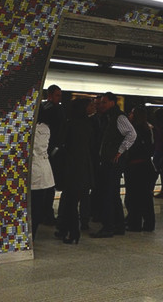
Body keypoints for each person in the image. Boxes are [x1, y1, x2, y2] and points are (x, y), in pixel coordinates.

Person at [90, 92, 136, 238]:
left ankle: (108, 227)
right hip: (109, 161)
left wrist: (120, 151)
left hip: (113, 162)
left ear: (112, 102)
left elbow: (132, 134)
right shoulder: (108, 117)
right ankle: (119, 226)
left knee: (108, 194)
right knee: (113, 194)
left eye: (104, 102)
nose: (101, 105)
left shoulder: (118, 117)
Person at [55, 97, 94, 244]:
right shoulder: (88, 124)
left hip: (71, 168)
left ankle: (72, 232)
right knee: (75, 201)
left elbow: (61, 143)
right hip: (84, 168)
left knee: (69, 202)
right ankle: (69, 230)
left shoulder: (70, 124)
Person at [124, 105, 156, 232]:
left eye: (131, 113)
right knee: (146, 198)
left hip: (135, 167)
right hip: (146, 167)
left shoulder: (133, 131)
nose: (129, 115)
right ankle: (149, 223)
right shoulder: (148, 129)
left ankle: (134, 223)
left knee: (133, 197)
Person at [30, 106, 55, 240]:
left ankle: (30, 236)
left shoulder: (30, 129)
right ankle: (33, 234)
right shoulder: (46, 128)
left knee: (32, 207)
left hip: (33, 171)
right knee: (38, 206)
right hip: (45, 170)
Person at [41, 84, 63, 227]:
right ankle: (47, 215)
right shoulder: (52, 109)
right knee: (49, 186)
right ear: (49, 95)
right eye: (57, 95)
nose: (59, 98)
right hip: (50, 152)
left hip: (49, 151)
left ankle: (45, 213)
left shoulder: (44, 108)